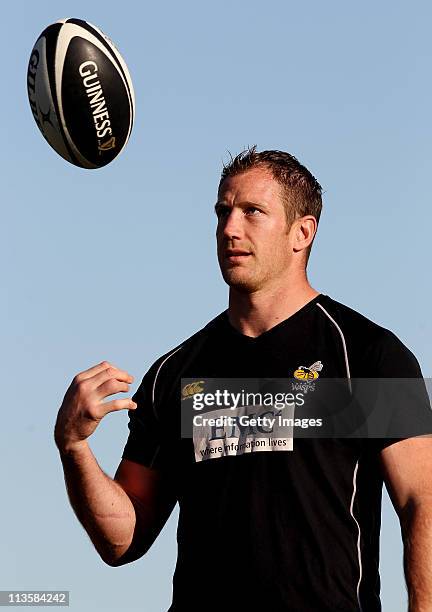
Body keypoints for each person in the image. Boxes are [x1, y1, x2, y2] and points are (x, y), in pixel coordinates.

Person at [55, 147, 432, 612]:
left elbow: (423, 503)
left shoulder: (368, 355)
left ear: (302, 232)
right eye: (223, 212)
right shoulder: (175, 374)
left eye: (253, 212)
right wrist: (74, 448)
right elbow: (122, 540)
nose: (230, 228)